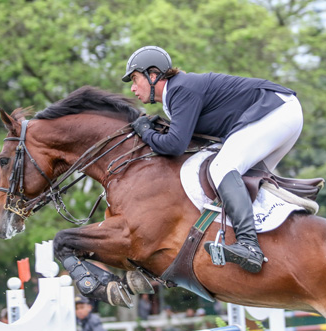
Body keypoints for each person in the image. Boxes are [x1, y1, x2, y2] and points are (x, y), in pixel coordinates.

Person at [122, 45, 303, 274]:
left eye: (136, 79)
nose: (133, 88)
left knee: (222, 167)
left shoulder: (180, 89)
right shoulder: (176, 95)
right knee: (243, 180)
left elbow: (175, 146)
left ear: (154, 75)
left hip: (275, 110)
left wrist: (145, 132)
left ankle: (249, 245)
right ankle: (276, 242)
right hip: (281, 112)